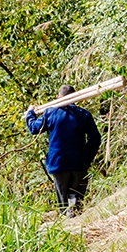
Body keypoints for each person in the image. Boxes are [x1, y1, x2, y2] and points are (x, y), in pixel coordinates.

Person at [24, 86, 102, 214]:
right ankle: (75, 217)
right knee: (76, 201)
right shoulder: (83, 114)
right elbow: (95, 139)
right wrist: (87, 157)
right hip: (79, 163)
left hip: (58, 164)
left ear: (57, 97)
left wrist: (30, 113)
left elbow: (33, 128)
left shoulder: (50, 113)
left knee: (63, 204)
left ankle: (67, 220)